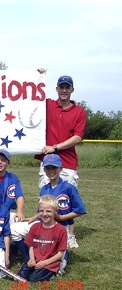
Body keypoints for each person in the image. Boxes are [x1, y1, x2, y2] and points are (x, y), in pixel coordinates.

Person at [11, 154, 87, 274]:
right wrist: (34, 217)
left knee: (58, 269)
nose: (51, 171)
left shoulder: (68, 187)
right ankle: (28, 258)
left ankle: (63, 255)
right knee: (14, 229)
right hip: (43, 224)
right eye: (48, 168)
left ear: (61, 168)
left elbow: (80, 210)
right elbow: (43, 210)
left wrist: (61, 217)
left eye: (54, 168)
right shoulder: (44, 188)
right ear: (44, 170)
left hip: (61, 226)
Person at [35, 73, 87, 247]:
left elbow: (78, 137)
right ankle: (48, 230)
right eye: (61, 87)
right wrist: (38, 76)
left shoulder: (79, 112)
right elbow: (31, 96)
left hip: (68, 161)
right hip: (48, 161)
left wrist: (55, 147)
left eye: (67, 87)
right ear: (56, 89)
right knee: (47, 197)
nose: (64, 90)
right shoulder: (49, 105)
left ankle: (69, 235)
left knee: (66, 200)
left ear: (72, 90)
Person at [17, 194, 68, 282]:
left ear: (56, 211)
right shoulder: (35, 227)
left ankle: (56, 271)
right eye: (41, 211)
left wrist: (45, 262)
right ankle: (34, 269)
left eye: (48, 211)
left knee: (33, 279)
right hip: (36, 261)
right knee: (21, 276)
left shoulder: (61, 230)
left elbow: (60, 253)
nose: (44, 214)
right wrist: (32, 259)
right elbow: (31, 246)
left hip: (49, 263)